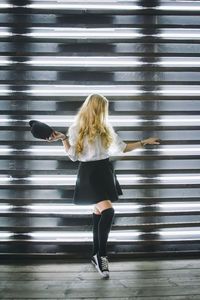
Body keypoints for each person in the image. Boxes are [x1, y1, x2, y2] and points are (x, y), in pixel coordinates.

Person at [46, 93, 160, 279]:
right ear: (96, 108)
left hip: (105, 171)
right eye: (102, 109)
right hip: (89, 175)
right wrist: (63, 139)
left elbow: (122, 148)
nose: (104, 113)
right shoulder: (76, 128)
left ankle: (95, 254)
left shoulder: (106, 128)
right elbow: (73, 156)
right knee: (108, 211)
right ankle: (102, 256)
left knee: (99, 213)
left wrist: (143, 143)